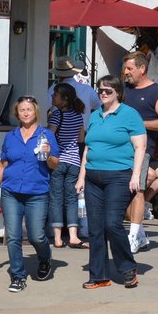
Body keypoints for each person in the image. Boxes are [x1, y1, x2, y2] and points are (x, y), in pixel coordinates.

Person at [76, 75, 144, 289]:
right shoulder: (95, 115)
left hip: (119, 175)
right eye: (100, 90)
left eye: (108, 90)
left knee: (112, 223)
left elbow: (140, 147)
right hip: (93, 177)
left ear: (118, 92)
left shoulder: (130, 114)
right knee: (95, 228)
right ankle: (99, 276)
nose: (103, 93)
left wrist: (136, 175)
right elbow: (88, 147)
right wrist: (81, 176)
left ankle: (128, 268)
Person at [0, 96, 60, 292]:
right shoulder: (11, 136)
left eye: (29, 109)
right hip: (11, 192)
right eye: (22, 110)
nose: (26, 113)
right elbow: (3, 165)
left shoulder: (46, 135)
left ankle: (45, 258)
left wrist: (48, 155)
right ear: (17, 114)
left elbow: (55, 164)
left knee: (36, 235)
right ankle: (18, 276)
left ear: (35, 111)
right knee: (13, 236)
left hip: (37, 193)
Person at [121, 51, 158, 253]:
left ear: (142, 69)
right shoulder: (124, 89)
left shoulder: (157, 92)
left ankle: (134, 231)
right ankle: (139, 228)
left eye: (129, 68)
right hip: (121, 148)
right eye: (125, 68)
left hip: (142, 149)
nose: (126, 72)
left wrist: (138, 124)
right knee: (155, 177)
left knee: (139, 190)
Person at [46, 82, 86, 249]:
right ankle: (73, 236)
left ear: (65, 99)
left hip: (58, 161)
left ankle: (57, 238)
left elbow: (48, 136)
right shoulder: (78, 116)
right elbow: (81, 139)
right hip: (74, 162)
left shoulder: (57, 116)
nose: (52, 96)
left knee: (56, 198)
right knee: (71, 199)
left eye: (55, 95)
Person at [47, 56, 95, 126]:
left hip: (59, 130)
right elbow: (99, 107)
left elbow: (44, 106)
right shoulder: (88, 89)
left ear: (58, 74)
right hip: (83, 130)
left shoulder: (54, 89)